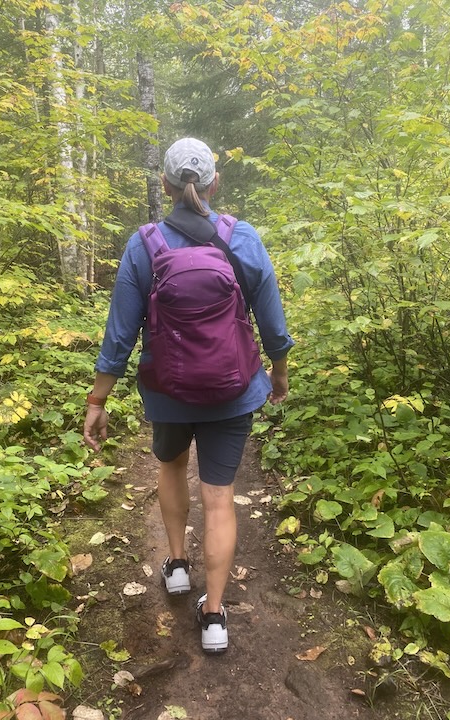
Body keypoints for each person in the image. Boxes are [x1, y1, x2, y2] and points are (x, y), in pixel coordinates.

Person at [83, 137, 294, 653]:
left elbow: (121, 332)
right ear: (214, 183)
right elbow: (272, 322)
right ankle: (216, 616)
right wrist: (278, 375)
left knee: (172, 468)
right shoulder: (241, 238)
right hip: (233, 389)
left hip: (168, 389)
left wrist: (97, 400)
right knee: (219, 498)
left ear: (165, 185)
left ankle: (177, 567)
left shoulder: (145, 243)